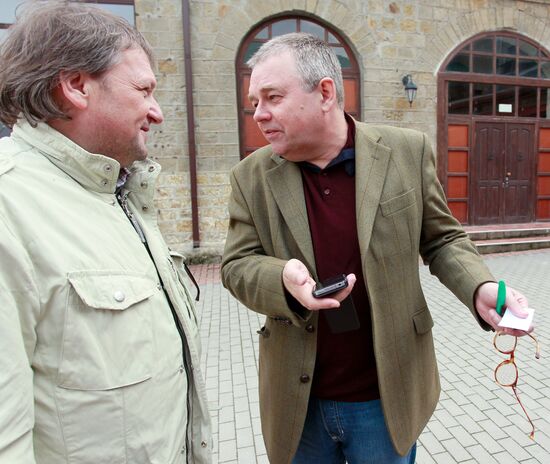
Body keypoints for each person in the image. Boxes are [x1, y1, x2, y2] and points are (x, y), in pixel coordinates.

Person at [221, 32, 532, 464]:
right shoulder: (249, 177)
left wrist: (478, 287)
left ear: (325, 92)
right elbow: (236, 265)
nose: (259, 113)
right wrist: (282, 279)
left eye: (272, 97)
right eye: (255, 101)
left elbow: (442, 238)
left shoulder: (406, 151)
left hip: (386, 397)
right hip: (299, 399)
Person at [0, 2, 211, 462]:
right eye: (144, 89)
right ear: (76, 86)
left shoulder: (117, 191)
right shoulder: (8, 208)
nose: (157, 113)